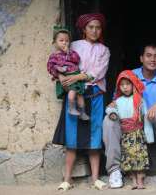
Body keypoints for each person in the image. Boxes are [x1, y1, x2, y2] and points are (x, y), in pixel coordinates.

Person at [103, 44, 156, 189]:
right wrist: (113, 110)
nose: (153, 59)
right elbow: (116, 101)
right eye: (149, 55)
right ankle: (114, 170)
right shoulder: (129, 76)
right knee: (108, 121)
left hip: (154, 122)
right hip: (129, 125)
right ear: (141, 58)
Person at [52, 13, 110, 191]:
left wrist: (76, 76)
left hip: (95, 95)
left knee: (95, 136)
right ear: (84, 29)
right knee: (72, 136)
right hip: (73, 94)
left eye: (98, 27)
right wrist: (61, 76)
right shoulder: (74, 45)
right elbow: (58, 60)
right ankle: (67, 179)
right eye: (91, 27)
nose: (94, 30)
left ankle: (95, 179)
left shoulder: (104, 50)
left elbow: (98, 73)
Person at [106, 70, 153, 189]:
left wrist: (149, 135)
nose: (125, 87)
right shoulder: (117, 101)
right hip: (125, 135)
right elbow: (109, 108)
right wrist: (112, 113)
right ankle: (133, 180)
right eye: (122, 85)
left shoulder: (140, 101)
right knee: (128, 158)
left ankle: (140, 180)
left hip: (138, 135)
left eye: (128, 84)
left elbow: (146, 118)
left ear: (133, 84)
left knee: (140, 157)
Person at [47, 27, 89, 120]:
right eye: (61, 40)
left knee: (80, 96)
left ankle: (82, 112)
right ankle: (71, 108)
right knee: (72, 93)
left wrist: (68, 52)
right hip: (67, 78)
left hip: (76, 76)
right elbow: (50, 67)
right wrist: (58, 70)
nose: (64, 43)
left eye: (67, 40)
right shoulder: (54, 56)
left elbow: (77, 59)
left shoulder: (72, 53)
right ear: (55, 42)